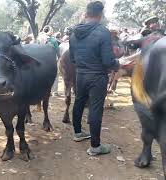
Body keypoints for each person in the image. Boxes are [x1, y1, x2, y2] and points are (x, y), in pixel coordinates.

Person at [69, 1, 119, 156]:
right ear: (100, 15)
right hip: (97, 76)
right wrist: (117, 64)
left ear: (86, 13)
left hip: (81, 75)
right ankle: (95, 147)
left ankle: (78, 133)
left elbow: (72, 59)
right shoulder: (103, 32)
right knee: (96, 108)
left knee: (78, 102)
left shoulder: (74, 33)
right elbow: (108, 61)